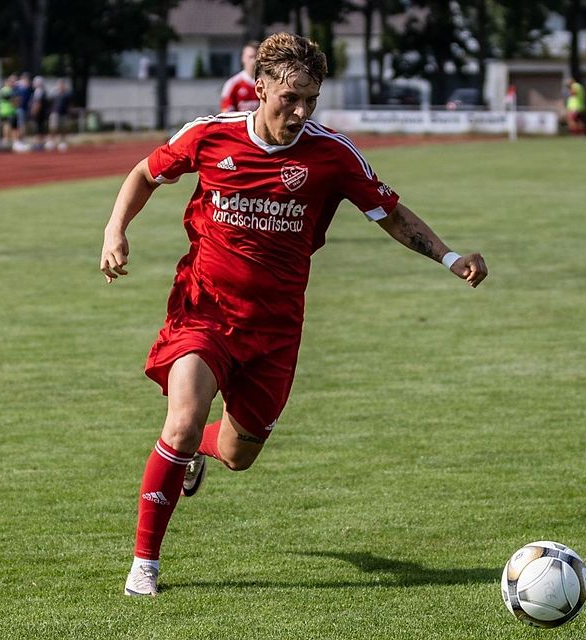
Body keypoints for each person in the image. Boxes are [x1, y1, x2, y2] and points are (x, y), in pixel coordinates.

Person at [100, 32, 488, 597]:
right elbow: (144, 174)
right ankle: (145, 565)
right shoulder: (211, 135)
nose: (301, 111)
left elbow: (391, 214)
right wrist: (116, 231)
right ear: (260, 88)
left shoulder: (332, 154)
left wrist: (451, 258)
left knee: (237, 453)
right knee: (180, 422)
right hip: (203, 312)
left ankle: (195, 455)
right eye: (290, 98)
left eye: (312, 99)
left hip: (275, 330)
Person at [219, 42, 260, 112]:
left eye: (256, 57)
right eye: (250, 57)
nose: (253, 61)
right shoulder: (232, 83)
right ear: (243, 58)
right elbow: (226, 111)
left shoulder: (266, 83)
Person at [47, 78, 73, 151]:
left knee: (63, 128)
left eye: (62, 84)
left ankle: (62, 142)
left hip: (64, 114)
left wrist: (69, 113)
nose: (61, 86)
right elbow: (50, 102)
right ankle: (51, 141)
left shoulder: (67, 94)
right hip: (55, 113)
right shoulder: (54, 93)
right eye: (59, 84)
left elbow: (70, 105)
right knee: (53, 128)